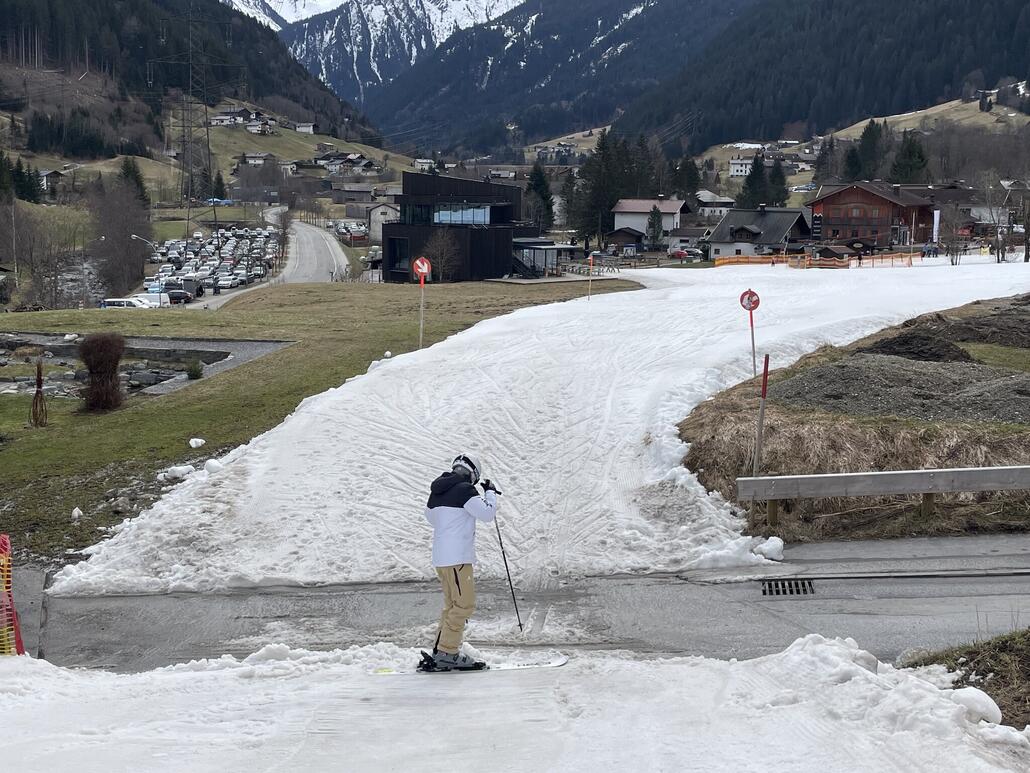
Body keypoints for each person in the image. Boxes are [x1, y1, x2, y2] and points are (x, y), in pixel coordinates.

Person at [421, 454, 499, 671]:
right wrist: (490, 493)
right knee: (464, 604)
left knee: (452, 605)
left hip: (442, 559)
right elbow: (487, 514)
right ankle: (448, 652)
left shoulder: (438, 491)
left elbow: (431, 518)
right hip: (458, 559)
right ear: (473, 474)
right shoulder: (465, 490)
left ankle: (441, 650)